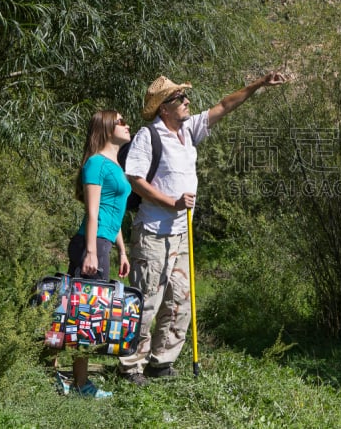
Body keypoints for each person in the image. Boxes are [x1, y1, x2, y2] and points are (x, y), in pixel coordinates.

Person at [117, 72, 285, 385]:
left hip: (182, 232)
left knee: (179, 300)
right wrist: (171, 202)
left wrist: (259, 84)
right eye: (180, 99)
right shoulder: (148, 135)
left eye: (184, 97)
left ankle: (161, 362)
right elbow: (135, 180)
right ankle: (130, 367)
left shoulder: (188, 129)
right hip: (154, 232)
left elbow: (224, 106)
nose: (187, 102)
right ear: (164, 107)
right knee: (146, 301)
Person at [66, 109, 132, 398]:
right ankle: (80, 384)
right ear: (107, 128)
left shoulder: (115, 165)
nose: (127, 125)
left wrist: (122, 249)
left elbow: (112, 212)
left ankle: (76, 380)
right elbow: (93, 212)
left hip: (104, 242)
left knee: (91, 313)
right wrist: (91, 252)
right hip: (90, 244)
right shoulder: (95, 163)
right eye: (121, 122)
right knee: (85, 314)